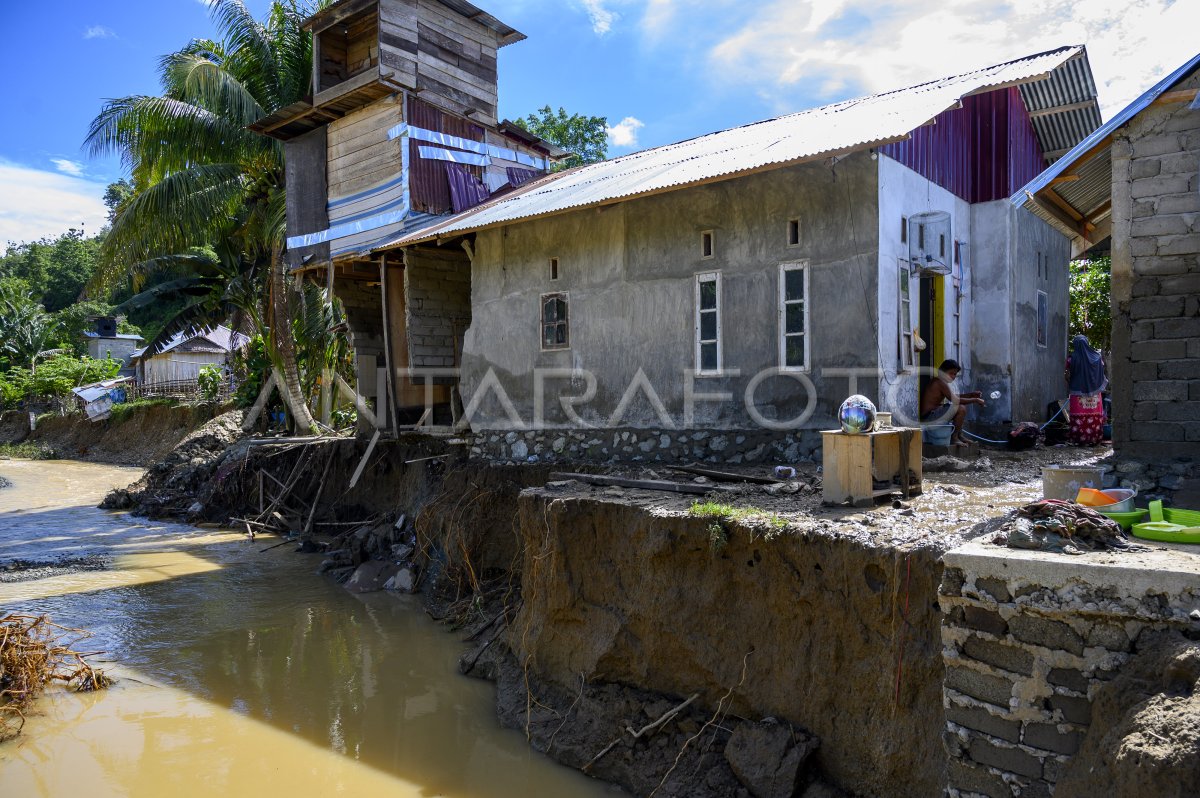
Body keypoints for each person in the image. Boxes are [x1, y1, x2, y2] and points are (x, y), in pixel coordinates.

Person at [919, 359, 985, 445]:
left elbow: (954, 396)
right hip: (928, 417)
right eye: (951, 373)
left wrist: (971, 395)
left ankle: (959, 436)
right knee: (960, 408)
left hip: (933, 414)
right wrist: (975, 400)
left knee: (959, 407)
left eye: (955, 374)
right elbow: (955, 400)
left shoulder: (941, 382)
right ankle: (954, 438)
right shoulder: (939, 382)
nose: (953, 376)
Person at [1065, 335, 1107, 446]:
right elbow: (1102, 372)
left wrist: (1071, 383)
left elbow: (1067, 375)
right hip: (1095, 394)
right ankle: (1094, 439)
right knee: (1094, 415)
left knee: (1078, 415)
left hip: (1077, 392)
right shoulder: (1097, 358)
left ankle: (1079, 440)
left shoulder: (1071, 358)